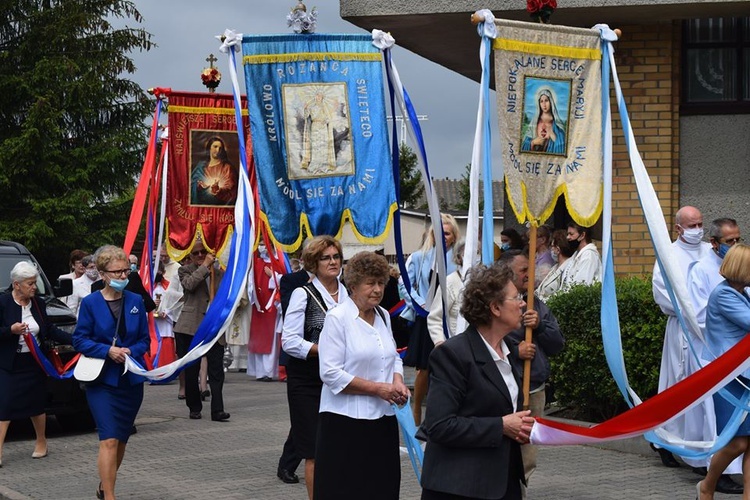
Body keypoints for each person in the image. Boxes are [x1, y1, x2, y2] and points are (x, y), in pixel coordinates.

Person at [418, 263, 535, 500]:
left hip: (502, 482)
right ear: (495, 308)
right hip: (459, 486)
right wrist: (501, 426)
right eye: (516, 298)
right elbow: (440, 425)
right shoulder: (453, 354)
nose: (523, 303)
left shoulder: (511, 349)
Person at [315, 252, 409, 499]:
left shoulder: (383, 316)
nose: (377, 289)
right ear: (353, 285)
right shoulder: (337, 318)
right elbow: (330, 373)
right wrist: (378, 389)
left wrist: (397, 381)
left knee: (381, 488)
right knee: (347, 490)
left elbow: (393, 357)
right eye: (370, 283)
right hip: (344, 422)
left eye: (380, 283)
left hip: (382, 419)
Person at [72, 246, 149, 500]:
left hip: (130, 381)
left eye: (126, 270)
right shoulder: (91, 303)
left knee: (122, 440)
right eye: (117, 271)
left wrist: (129, 351)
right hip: (102, 382)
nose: (123, 275)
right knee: (109, 439)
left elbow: (144, 341)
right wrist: (108, 351)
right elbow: (80, 340)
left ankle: (104, 486)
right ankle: (111, 496)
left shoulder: (136, 300)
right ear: (103, 274)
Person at [281, 235, 348, 499]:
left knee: (340, 448)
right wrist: (324, 349)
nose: (332, 262)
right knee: (315, 451)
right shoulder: (302, 293)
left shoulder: (349, 293)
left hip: (340, 379)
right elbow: (289, 341)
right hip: (307, 381)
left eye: (336, 257)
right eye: (326, 258)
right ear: (313, 262)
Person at [650, 207, 713, 469]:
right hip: (683, 330)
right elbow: (662, 292)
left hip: (710, 332)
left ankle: (700, 445)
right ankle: (664, 441)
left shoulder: (710, 251)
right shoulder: (668, 255)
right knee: (678, 386)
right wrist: (691, 311)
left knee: (704, 391)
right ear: (678, 228)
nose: (697, 230)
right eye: (692, 225)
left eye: (700, 224)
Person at [499, 250, 564, 484]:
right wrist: (516, 351)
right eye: (523, 270)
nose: (530, 274)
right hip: (505, 390)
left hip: (534, 388)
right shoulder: (495, 305)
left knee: (527, 456)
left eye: (531, 269)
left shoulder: (536, 303)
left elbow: (557, 344)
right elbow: (488, 341)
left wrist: (540, 327)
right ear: (508, 274)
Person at [0, 261, 73, 468]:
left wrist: (76, 340)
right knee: (4, 405)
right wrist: (10, 330)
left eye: (35, 283)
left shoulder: (39, 304)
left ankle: (41, 442)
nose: (34, 287)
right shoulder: (3, 303)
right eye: (30, 284)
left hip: (34, 361)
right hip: (9, 363)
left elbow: (49, 330)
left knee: (36, 404)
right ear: (16, 285)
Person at [697, 244, 750, 500]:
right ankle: (707, 485)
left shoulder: (742, 292)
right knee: (737, 442)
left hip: (746, 375)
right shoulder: (723, 295)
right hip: (730, 376)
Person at [403, 213, 460, 426]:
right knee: (425, 368)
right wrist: (420, 305)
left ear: (454, 236)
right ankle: (416, 411)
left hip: (452, 319)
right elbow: (406, 286)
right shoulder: (419, 257)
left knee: (450, 367)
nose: (443, 236)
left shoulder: (459, 258)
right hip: (427, 317)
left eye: (447, 233)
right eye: (438, 232)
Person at [173, 238, 230, 422]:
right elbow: (189, 285)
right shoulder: (185, 270)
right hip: (191, 327)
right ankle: (194, 406)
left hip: (214, 327)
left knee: (216, 370)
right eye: (195, 253)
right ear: (190, 255)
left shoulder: (220, 274)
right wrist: (204, 267)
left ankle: (217, 409)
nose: (199, 256)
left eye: (203, 252)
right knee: (191, 370)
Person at [275, 258, 311, 485]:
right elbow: (288, 308)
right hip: (301, 358)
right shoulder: (292, 281)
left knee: (315, 418)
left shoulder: (339, 284)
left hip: (329, 361)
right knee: (304, 419)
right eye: (324, 257)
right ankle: (287, 465)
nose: (331, 262)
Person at [688, 218, 743, 331]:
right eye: (729, 241)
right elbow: (700, 316)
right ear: (714, 242)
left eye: (737, 240)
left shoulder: (743, 263)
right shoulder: (700, 270)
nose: (735, 246)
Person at [248, 245, 281, 381]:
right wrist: (254, 296)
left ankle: (268, 371)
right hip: (259, 305)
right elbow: (251, 283)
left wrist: (272, 276)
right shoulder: (256, 263)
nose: (262, 247)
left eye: (264, 243)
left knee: (271, 338)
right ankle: (259, 371)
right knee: (259, 338)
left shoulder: (278, 262)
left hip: (272, 304)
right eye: (260, 243)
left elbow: (283, 279)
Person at [427, 239, 467, 347]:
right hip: (455, 346)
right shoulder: (449, 283)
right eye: (466, 253)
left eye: (477, 253)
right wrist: (440, 342)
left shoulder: (485, 282)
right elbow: (435, 318)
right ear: (459, 257)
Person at [191, 136, 238, 206]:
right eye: (215, 146)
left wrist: (219, 190)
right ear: (209, 148)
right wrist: (199, 186)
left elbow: (232, 190)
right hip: (201, 208)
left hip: (221, 208)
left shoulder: (227, 168)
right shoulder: (201, 167)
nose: (218, 150)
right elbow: (192, 185)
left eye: (220, 148)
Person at [521, 87, 566, 155]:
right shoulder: (535, 121)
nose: (544, 104)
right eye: (541, 101)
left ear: (551, 102)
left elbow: (562, 145)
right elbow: (524, 145)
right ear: (539, 103)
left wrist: (553, 136)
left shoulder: (557, 123)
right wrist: (533, 142)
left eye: (546, 100)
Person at [535, 229, 574, 302]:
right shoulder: (555, 267)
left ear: (558, 250)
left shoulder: (569, 267)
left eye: (552, 246)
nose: (550, 250)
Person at [561, 222, 602, 288]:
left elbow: (581, 284)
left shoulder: (589, 255)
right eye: (567, 234)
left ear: (582, 235)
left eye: (571, 234)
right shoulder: (576, 254)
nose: (568, 237)